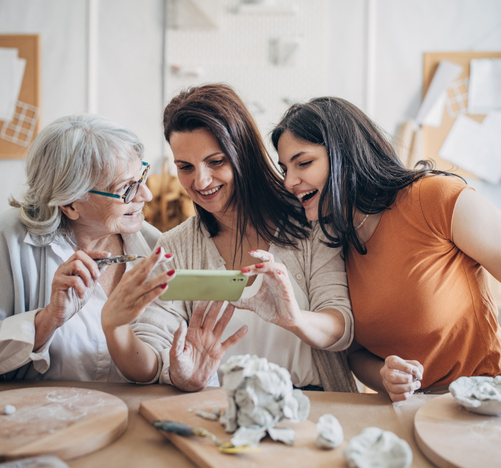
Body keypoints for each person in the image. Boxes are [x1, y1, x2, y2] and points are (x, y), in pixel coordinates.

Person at [270, 96, 501, 401]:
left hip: (495, 397)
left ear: (345, 153)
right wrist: (387, 378)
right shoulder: (333, 238)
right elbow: (356, 352)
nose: (289, 181)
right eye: (285, 168)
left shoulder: (434, 199)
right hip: (417, 414)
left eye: (304, 163)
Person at [136, 84, 357, 392]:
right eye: (185, 167)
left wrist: (294, 318)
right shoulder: (174, 247)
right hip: (218, 409)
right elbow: (152, 345)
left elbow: (341, 325)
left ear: (244, 154)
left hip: (313, 407)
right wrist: (177, 373)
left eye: (216, 162)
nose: (200, 181)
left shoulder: (310, 220)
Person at [0, 113, 180, 383]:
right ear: (70, 203)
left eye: (142, 177)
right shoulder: (5, 238)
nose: (146, 195)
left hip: (130, 415)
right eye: (127, 188)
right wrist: (46, 320)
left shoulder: (153, 245)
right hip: (38, 417)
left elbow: (166, 357)